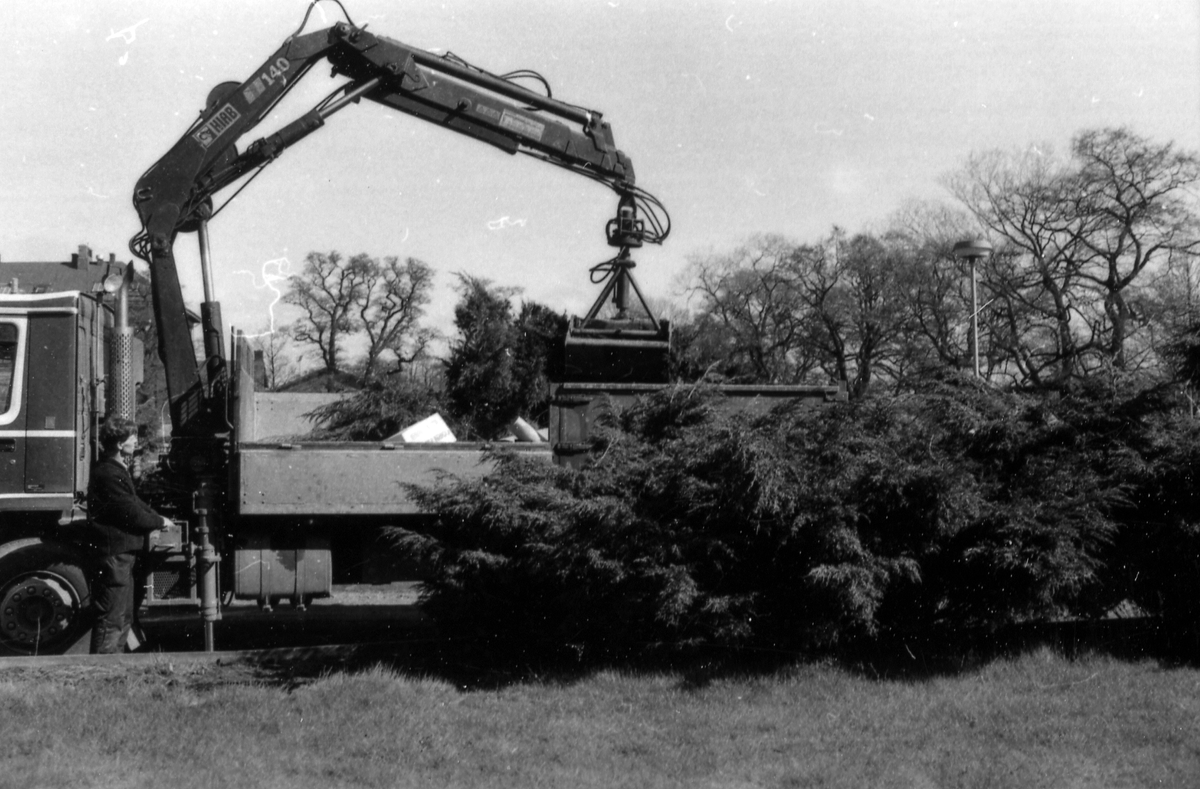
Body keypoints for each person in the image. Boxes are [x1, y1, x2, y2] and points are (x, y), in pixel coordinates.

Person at [88, 416, 171, 654]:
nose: (135, 441)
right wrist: (158, 521)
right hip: (116, 554)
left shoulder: (114, 470)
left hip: (123, 553)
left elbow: (134, 503)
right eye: (130, 437)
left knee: (123, 616)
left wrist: (157, 517)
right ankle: (103, 671)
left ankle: (115, 668)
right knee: (112, 617)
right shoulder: (108, 473)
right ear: (117, 443)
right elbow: (129, 512)